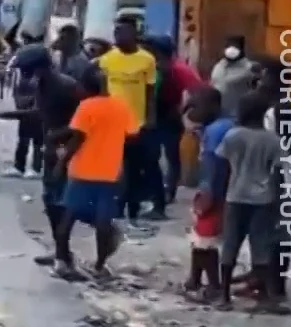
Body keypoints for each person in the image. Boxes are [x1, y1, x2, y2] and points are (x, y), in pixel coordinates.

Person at [3, 46, 82, 272]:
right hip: (51, 150)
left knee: (63, 204)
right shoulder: (42, 85)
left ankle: (65, 258)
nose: (24, 75)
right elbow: (40, 112)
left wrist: (60, 140)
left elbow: (85, 122)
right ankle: (60, 250)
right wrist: (10, 116)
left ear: (39, 67)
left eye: (26, 70)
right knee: (50, 203)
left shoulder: (67, 87)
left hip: (66, 152)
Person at [53, 66, 136, 279]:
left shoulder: (86, 106)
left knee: (67, 218)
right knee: (103, 222)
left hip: (81, 171)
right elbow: (132, 135)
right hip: (109, 172)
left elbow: (77, 138)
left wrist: (61, 162)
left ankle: (62, 260)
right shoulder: (121, 106)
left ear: (85, 86)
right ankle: (99, 265)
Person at [214, 90, 290, 313]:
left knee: (230, 246)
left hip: (235, 196)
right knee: (261, 248)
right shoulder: (273, 140)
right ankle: (263, 297)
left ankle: (224, 296)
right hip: (263, 200)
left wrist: (218, 193)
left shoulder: (233, 135)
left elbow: (222, 165)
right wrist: (278, 201)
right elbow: (278, 174)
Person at [96, 18, 163, 221]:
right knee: (115, 168)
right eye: (115, 32)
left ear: (134, 34)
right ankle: (116, 207)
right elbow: (103, 92)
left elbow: (151, 92)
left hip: (138, 124)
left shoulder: (147, 60)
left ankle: (135, 207)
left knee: (138, 167)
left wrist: (150, 119)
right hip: (113, 123)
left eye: (122, 32)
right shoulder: (107, 59)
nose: (117, 36)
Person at [183, 87, 233, 303]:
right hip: (218, 190)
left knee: (205, 242)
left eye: (197, 107)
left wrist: (207, 196)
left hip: (214, 192)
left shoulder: (215, 132)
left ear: (212, 106)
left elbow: (215, 168)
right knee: (199, 237)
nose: (193, 112)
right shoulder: (221, 125)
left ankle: (214, 286)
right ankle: (194, 279)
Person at [146, 35, 200, 209]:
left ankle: (169, 191)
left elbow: (197, 91)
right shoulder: (149, 68)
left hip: (170, 116)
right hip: (152, 115)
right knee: (152, 155)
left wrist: (182, 110)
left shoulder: (179, 70)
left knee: (171, 155)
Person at [5, 34, 45, 178]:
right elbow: (8, 39)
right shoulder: (22, 58)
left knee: (37, 139)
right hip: (24, 108)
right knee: (23, 137)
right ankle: (19, 166)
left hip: (36, 108)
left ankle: (36, 168)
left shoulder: (39, 68)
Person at [208, 34, 259, 113]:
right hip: (220, 110)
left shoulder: (249, 67)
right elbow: (216, 82)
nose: (231, 50)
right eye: (228, 46)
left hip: (238, 112)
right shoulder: (220, 66)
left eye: (235, 47)